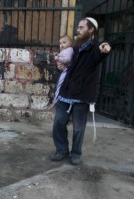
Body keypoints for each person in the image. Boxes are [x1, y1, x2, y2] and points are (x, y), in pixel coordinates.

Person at [50, 17, 111, 165]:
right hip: (66, 92)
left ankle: (76, 153)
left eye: (82, 27)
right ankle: (61, 149)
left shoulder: (96, 48)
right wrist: (59, 68)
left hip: (82, 95)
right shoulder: (74, 48)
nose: (78, 30)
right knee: (58, 123)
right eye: (78, 27)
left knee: (78, 128)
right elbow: (66, 67)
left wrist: (106, 48)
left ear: (91, 30)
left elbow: (104, 49)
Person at [52, 35, 74, 106]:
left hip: (65, 70)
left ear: (70, 43)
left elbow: (67, 59)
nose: (62, 45)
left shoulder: (69, 50)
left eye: (64, 42)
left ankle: (56, 99)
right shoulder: (65, 50)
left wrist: (58, 58)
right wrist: (57, 55)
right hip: (62, 70)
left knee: (60, 84)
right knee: (59, 84)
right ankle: (56, 98)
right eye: (60, 43)